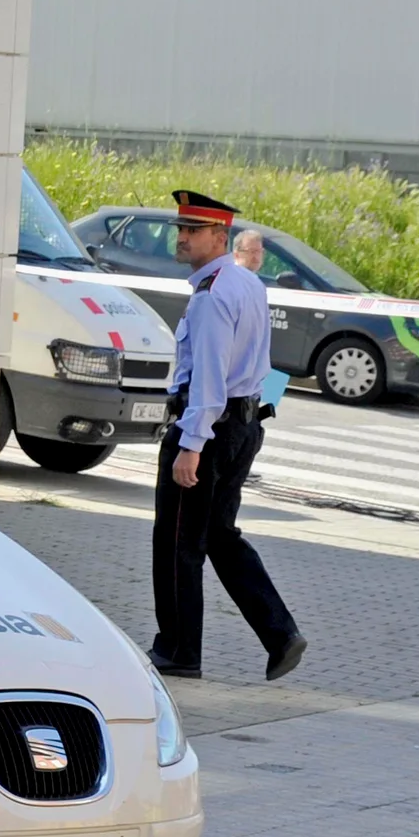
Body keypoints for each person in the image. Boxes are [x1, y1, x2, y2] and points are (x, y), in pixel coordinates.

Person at [150, 190, 307, 682]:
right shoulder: (244, 282)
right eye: (181, 230)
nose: (183, 239)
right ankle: (279, 633)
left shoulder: (212, 295)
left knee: (178, 543)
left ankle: (179, 650)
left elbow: (210, 380)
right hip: (243, 424)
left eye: (193, 232)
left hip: (210, 429)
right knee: (218, 534)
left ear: (221, 237)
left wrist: (190, 444)